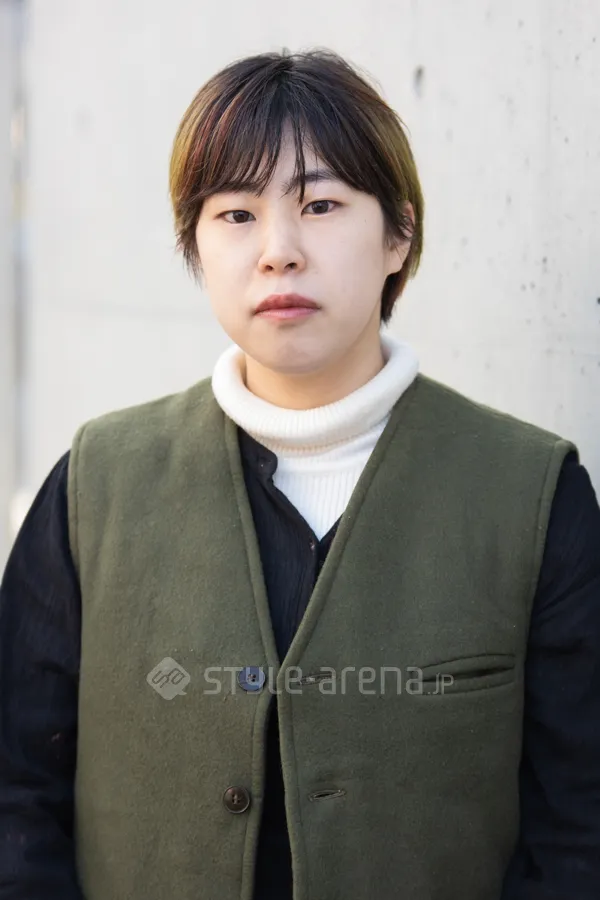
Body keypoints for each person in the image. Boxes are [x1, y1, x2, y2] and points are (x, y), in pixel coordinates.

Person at [1, 47, 599, 900]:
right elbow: (18, 795)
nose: (278, 251)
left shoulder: (532, 495)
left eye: (320, 205)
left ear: (399, 234)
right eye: (235, 214)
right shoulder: (96, 487)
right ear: (195, 246)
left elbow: (577, 829)